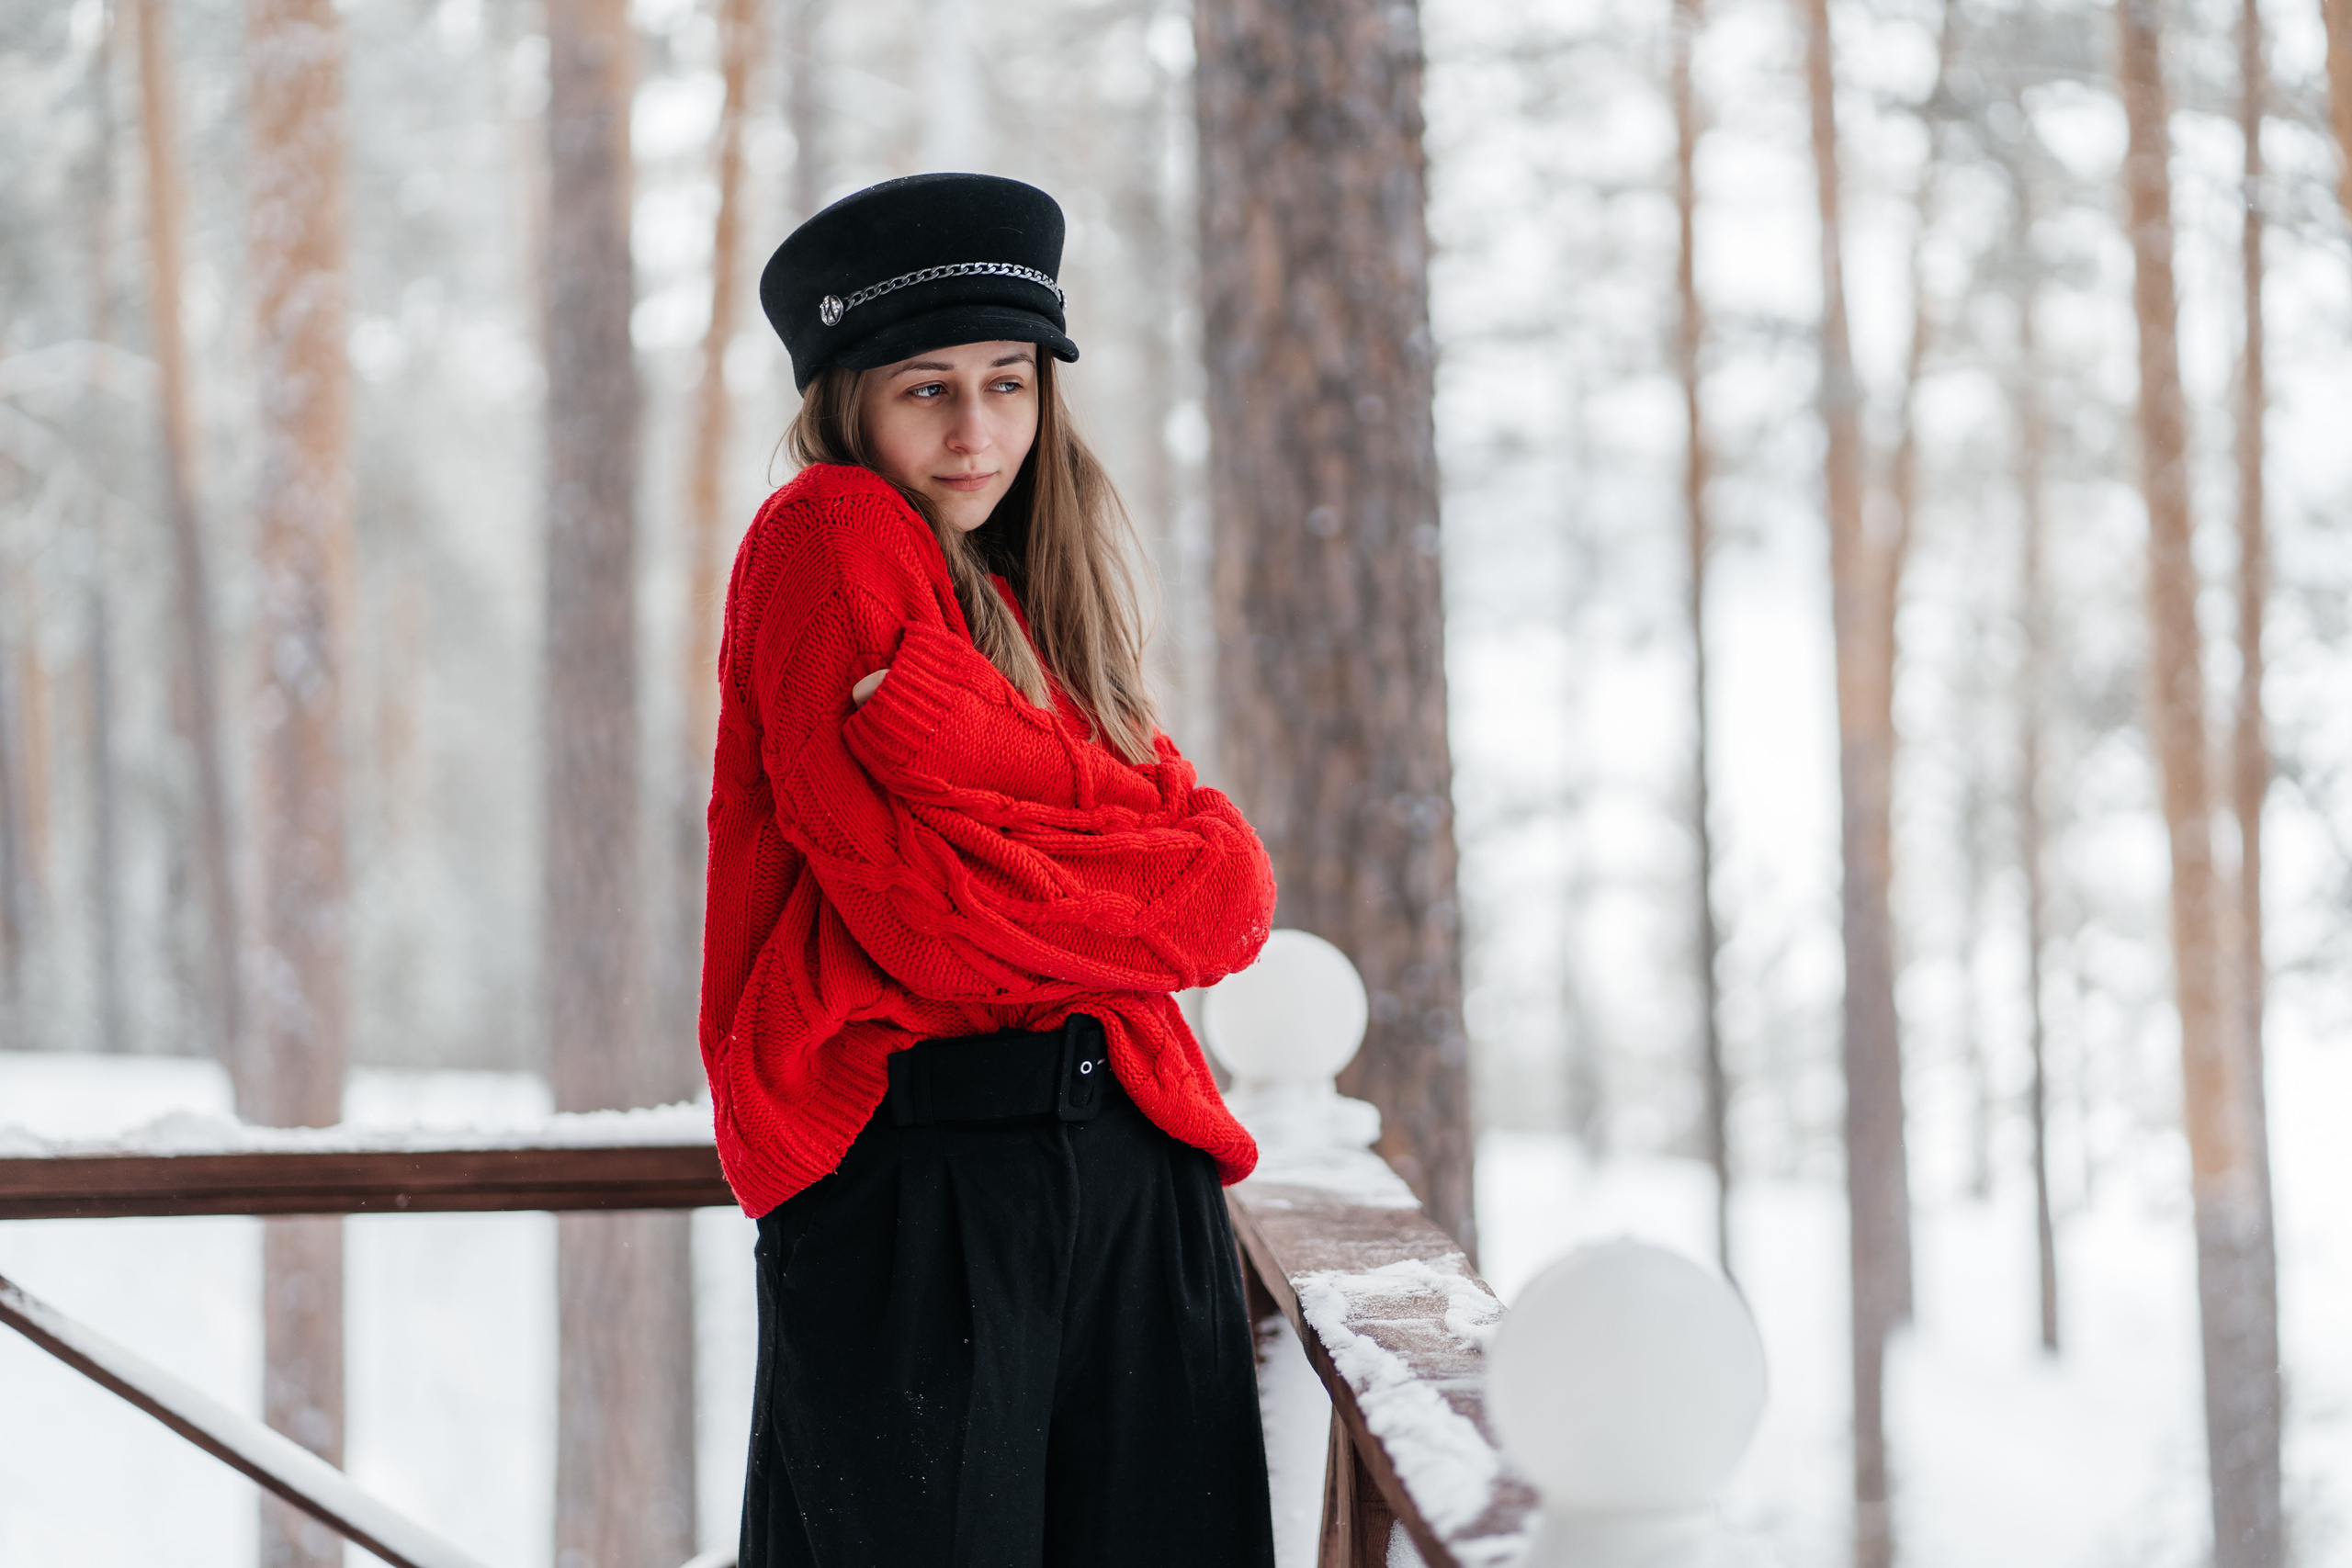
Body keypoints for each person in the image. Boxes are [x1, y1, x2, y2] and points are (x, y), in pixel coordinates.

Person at [701, 172, 1282, 1568]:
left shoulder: (1028, 593)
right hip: (925, 1182)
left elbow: (1233, 896)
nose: (978, 432)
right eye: (928, 389)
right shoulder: (827, 535)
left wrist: (975, 745)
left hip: (1130, 1171)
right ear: (847, 398)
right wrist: (1130, 829)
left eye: (1009, 382)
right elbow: (935, 921)